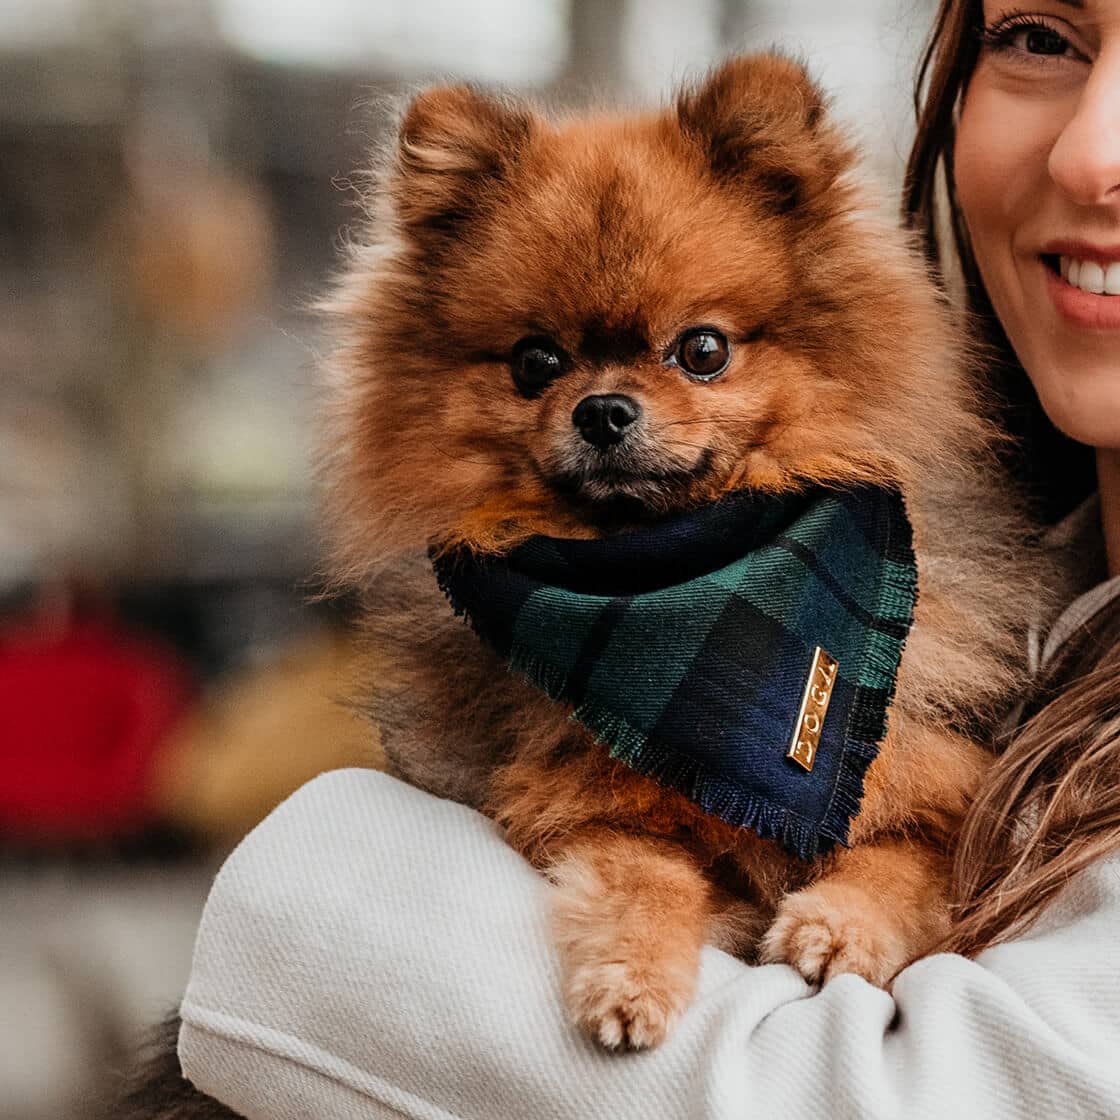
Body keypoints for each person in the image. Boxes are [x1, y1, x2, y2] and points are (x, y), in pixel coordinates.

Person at [133, 1, 1120, 1116]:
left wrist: (332, 897)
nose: (606, 403)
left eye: (699, 353)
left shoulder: (919, 612)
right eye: (538, 361)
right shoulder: (1035, 592)